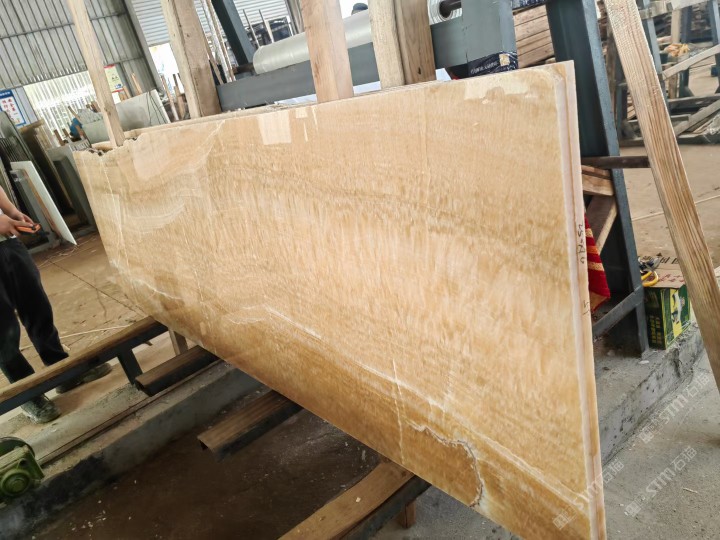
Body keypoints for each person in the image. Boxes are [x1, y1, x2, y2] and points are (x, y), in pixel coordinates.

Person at [0, 184, 109, 424]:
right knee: (3, 331)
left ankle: (61, 368)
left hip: (7, 244)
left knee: (36, 306)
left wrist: (11, 211)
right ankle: (27, 394)